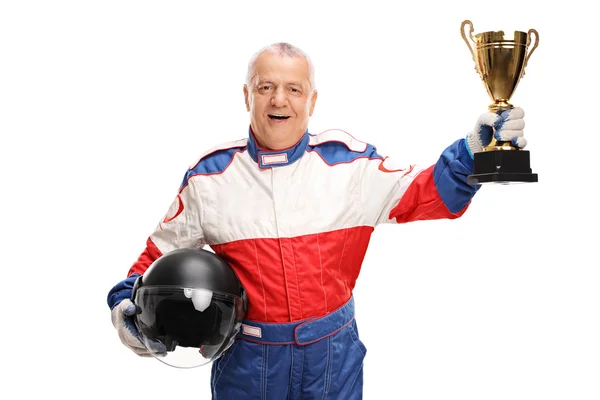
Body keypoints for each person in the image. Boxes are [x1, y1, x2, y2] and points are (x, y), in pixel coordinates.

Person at [107, 42, 527, 399]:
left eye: (294, 88)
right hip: (247, 364)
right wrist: (126, 304)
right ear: (246, 95)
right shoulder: (208, 177)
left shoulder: (351, 165)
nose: (279, 100)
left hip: (332, 358)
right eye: (266, 87)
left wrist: (475, 149)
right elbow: (153, 260)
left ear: (312, 100)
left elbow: (427, 193)